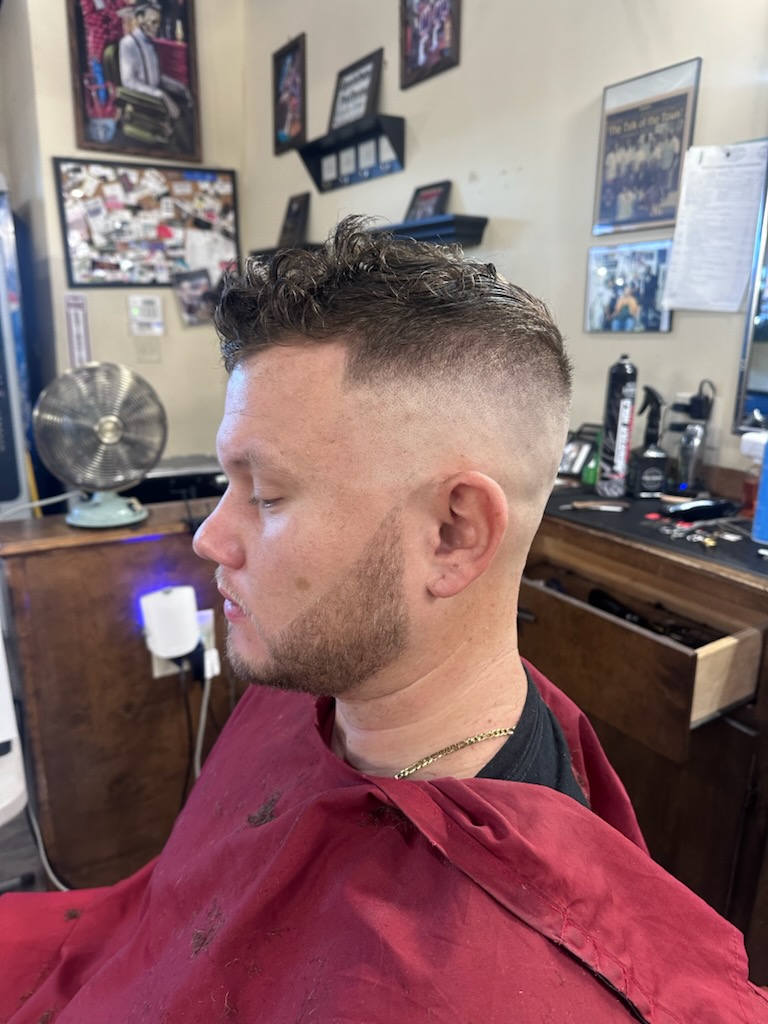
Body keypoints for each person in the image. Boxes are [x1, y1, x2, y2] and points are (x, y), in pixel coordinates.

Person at [1, 218, 766, 1023]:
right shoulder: (312, 676)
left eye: (268, 495)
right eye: (230, 483)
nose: (210, 539)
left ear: (454, 534)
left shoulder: (499, 989)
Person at [118, 0, 192, 145]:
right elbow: (129, 82)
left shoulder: (150, 43)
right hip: (144, 102)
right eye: (152, 22)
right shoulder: (128, 43)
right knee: (181, 127)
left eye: (158, 22)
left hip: (156, 96)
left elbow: (155, 77)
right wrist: (159, 94)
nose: (156, 27)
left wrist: (180, 87)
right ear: (139, 19)